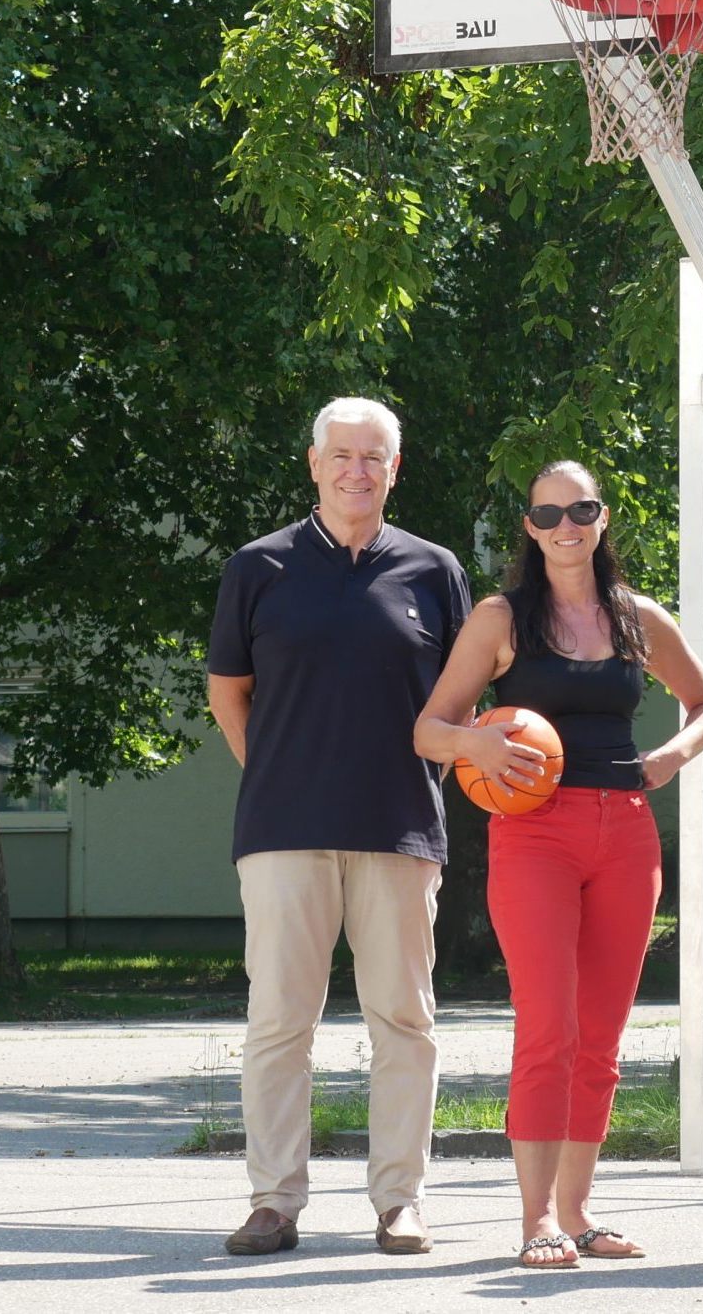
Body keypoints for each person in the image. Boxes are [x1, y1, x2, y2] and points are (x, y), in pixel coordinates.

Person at [415, 460, 703, 1269]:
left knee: (602, 1038)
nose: (566, 525)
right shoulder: (500, 618)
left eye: (580, 510)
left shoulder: (635, 615)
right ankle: (534, 1224)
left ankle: (579, 1212)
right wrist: (476, 743)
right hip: (534, 835)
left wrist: (670, 756)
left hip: (625, 831)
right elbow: (428, 729)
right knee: (548, 1029)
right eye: (548, 512)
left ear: (602, 517)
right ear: (529, 525)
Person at [206, 396, 472, 1258]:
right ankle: (274, 1201)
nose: (358, 470)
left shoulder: (433, 570)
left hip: (400, 827)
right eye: (343, 455)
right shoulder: (259, 566)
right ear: (314, 464)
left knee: (404, 1019)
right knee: (280, 1019)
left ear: (396, 469)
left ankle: (401, 1200)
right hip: (284, 830)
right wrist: (282, 771)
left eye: (375, 457)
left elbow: (460, 702)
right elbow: (227, 692)